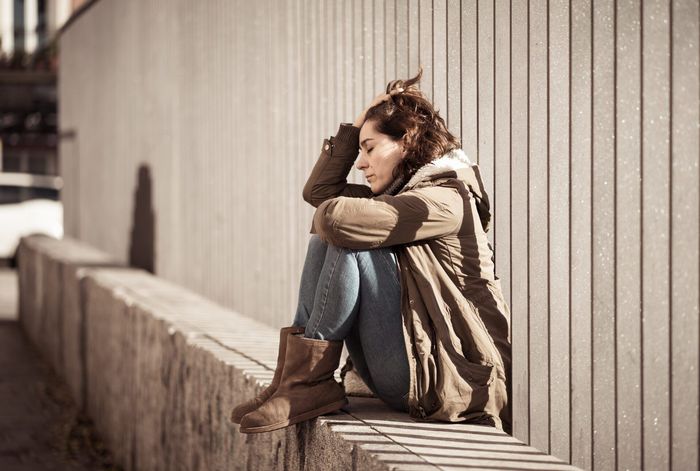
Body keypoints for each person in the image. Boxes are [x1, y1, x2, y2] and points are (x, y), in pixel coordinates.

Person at [230, 68, 512, 435]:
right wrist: (358, 126)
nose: (361, 164)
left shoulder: (444, 201)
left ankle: (307, 383)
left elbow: (332, 215)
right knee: (334, 233)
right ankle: (292, 382)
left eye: (370, 149)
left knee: (348, 236)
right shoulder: (403, 195)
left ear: (408, 142)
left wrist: (335, 217)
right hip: (407, 364)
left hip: (448, 377)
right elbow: (319, 193)